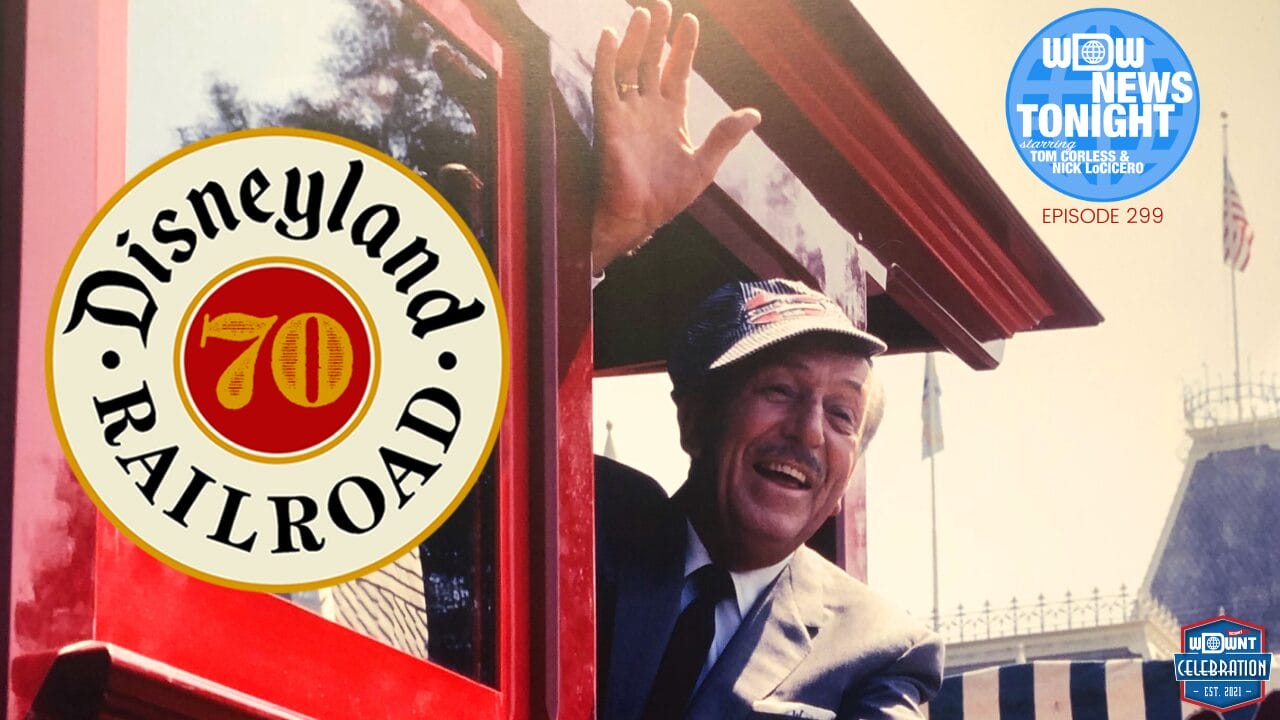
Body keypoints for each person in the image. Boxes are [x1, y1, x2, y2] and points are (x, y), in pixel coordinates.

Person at [589, 4, 943, 719]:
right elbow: (460, 409)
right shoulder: (594, 515)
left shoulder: (883, 651)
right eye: (780, 390)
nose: (810, 431)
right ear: (694, 416)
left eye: (843, 414)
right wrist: (604, 237)